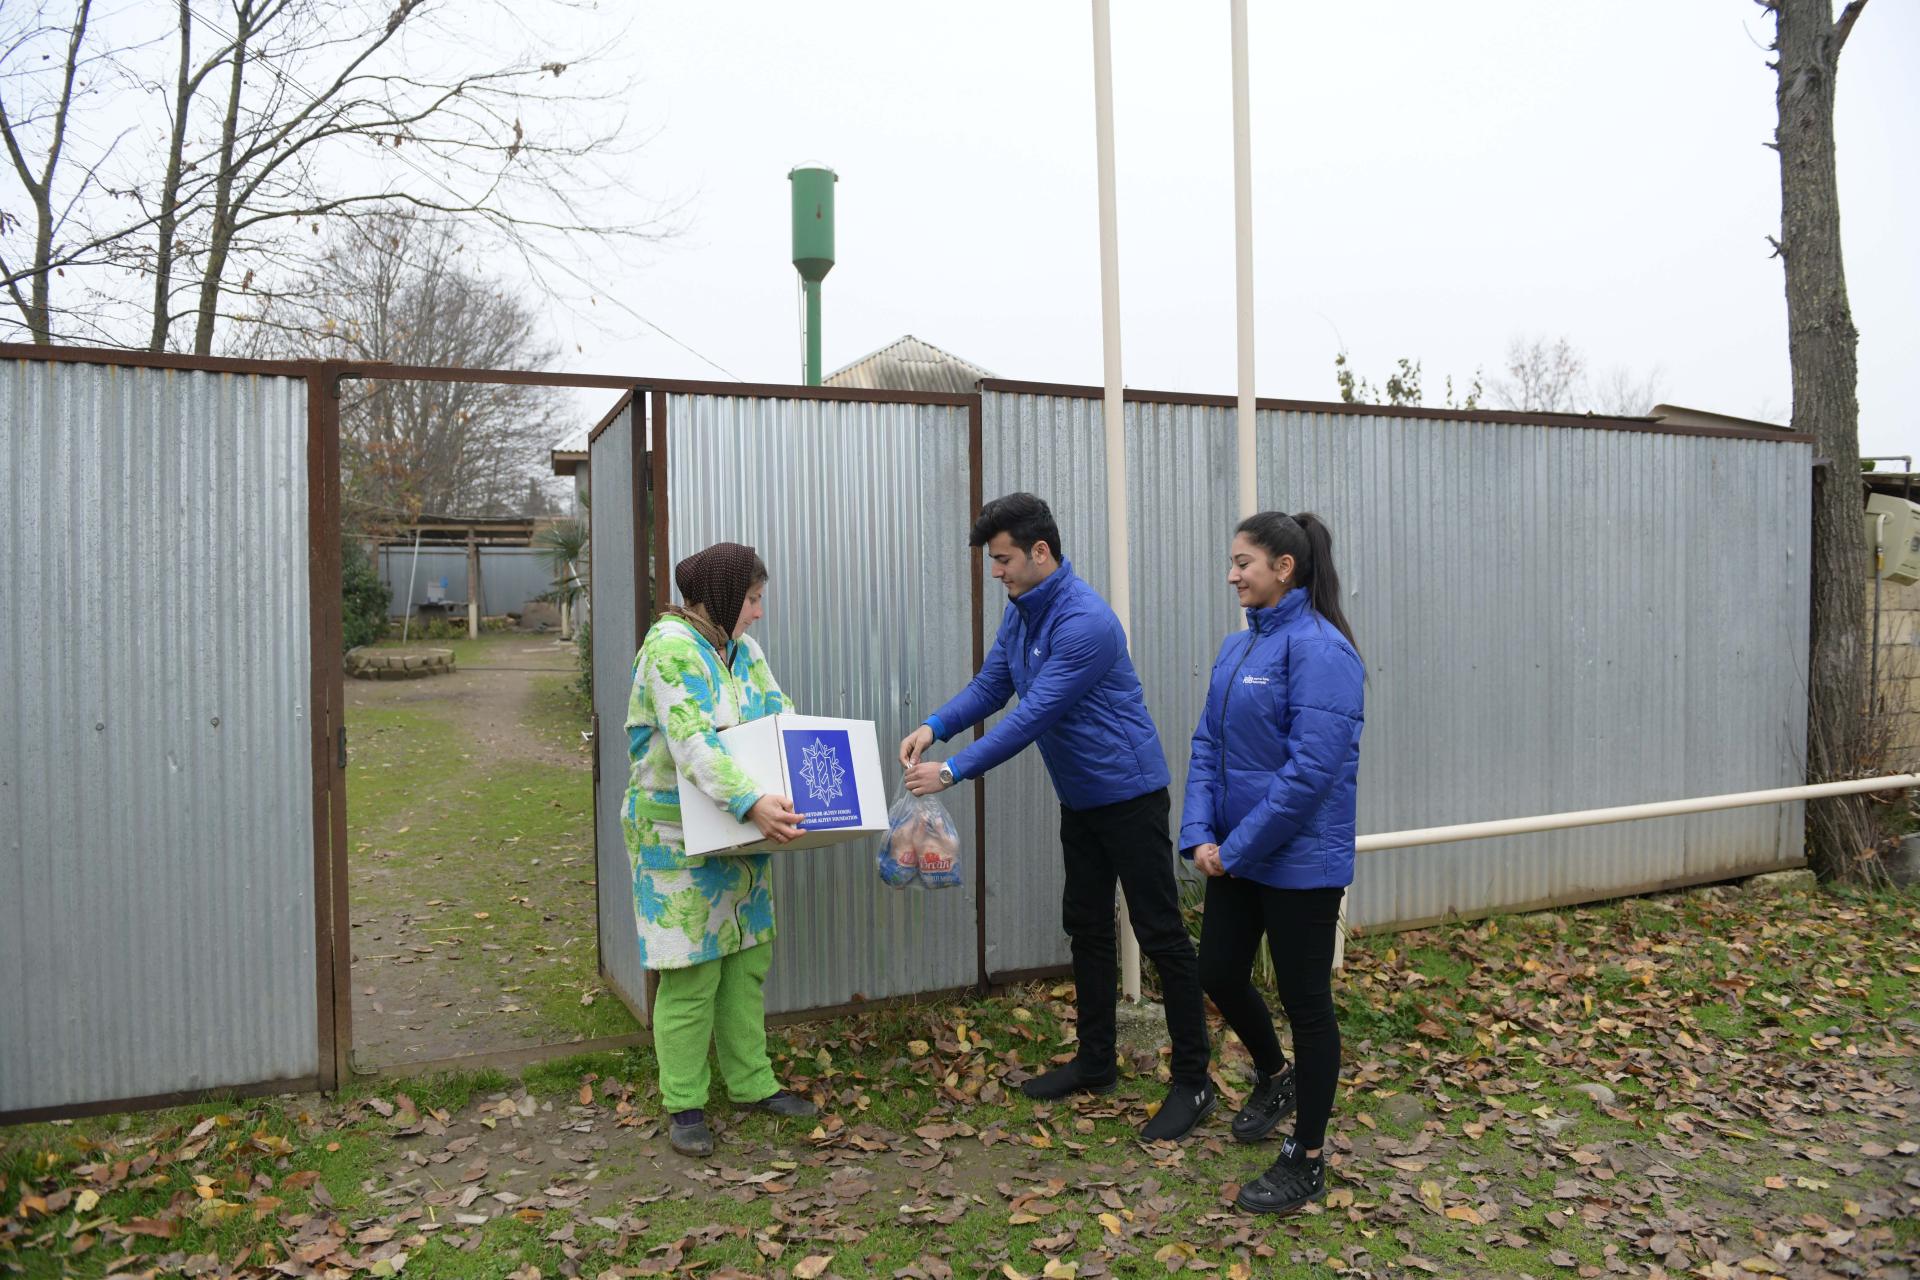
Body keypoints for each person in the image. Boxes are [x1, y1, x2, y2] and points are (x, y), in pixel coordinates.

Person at [899, 492, 1216, 1141]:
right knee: (1087, 927)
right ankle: (1097, 1062)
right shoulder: (1023, 612)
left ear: (1041, 552)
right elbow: (994, 686)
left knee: (1159, 932)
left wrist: (954, 770)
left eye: (1005, 558)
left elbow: (1034, 712)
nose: (997, 571)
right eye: (994, 559)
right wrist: (934, 727)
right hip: (1081, 798)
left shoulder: (1086, 622)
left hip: (1129, 796)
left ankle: (1194, 1081)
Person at [1183, 512, 1364, 1215]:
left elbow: (1310, 773)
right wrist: (1201, 833)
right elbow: (1207, 747)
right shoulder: (1237, 649)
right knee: (1218, 972)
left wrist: (1236, 847)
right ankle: (1273, 1074)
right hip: (1236, 856)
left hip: (1300, 866)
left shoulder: (1323, 651)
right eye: (1231, 562)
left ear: (1284, 567)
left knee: (1308, 1005)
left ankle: (1308, 1159)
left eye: (1243, 562)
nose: (1232, 575)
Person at [624, 541, 819, 1158]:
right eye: (754, 600)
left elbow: (779, 718)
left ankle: (752, 1084)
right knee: (692, 971)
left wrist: (812, 777)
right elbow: (692, 743)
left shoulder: (741, 650)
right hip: (676, 835)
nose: (760, 613)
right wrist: (753, 803)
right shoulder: (670, 650)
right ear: (724, 598)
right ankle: (684, 1104)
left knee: (745, 962)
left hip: (740, 827)